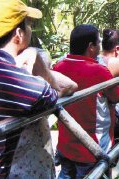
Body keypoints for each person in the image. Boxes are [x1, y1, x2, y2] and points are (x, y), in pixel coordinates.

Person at [0, 0, 59, 178]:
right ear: (19, 34)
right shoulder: (20, 82)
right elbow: (54, 96)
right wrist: (37, 59)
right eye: (29, 25)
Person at [53, 24, 119, 178]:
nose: (100, 47)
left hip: (66, 145)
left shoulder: (58, 67)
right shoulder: (99, 71)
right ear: (91, 46)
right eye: (98, 43)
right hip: (92, 148)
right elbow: (116, 97)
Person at [9, 48, 78, 179]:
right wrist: (41, 72)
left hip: (31, 163)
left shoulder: (37, 91)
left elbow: (71, 85)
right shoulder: (35, 92)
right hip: (30, 166)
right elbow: (71, 85)